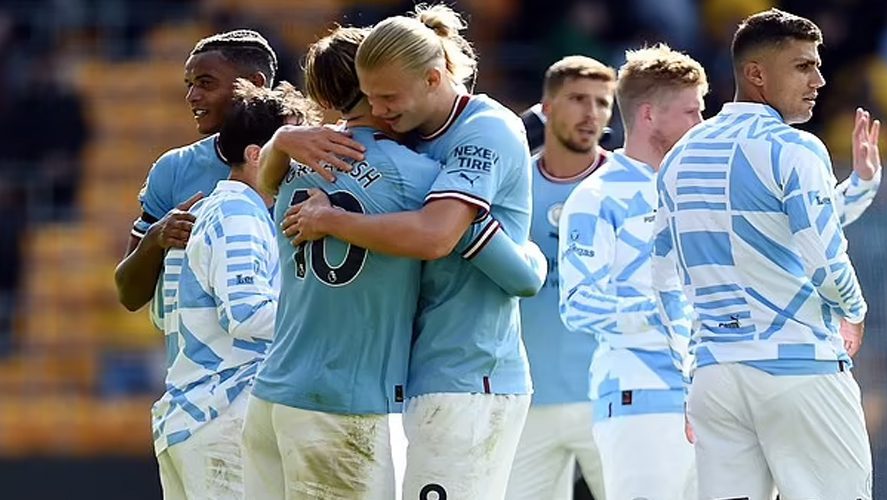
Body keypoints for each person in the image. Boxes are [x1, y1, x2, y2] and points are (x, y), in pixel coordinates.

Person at [244, 26, 544, 499]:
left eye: (388, 97)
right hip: (392, 384)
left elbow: (437, 235)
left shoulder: (482, 131)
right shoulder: (407, 157)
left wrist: (326, 210)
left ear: (431, 78)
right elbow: (516, 268)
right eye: (371, 97)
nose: (382, 109)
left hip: (464, 375)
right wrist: (283, 138)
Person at [652, 9, 882, 499]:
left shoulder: (678, 157)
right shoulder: (795, 148)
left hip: (716, 379)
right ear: (756, 74)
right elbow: (822, 254)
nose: (820, 79)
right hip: (798, 370)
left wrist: (859, 186)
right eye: (803, 66)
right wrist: (854, 311)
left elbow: (667, 281)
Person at [113, 29, 360, 317]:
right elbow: (128, 295)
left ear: (255, 83)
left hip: (296, 345)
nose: (192, 96)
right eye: (189, 85)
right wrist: (156, 237)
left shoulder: (311, 157)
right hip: (207, 357)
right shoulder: (174, 168)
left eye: (205, 83)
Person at [558, 43, 708, 499]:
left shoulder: (698, 191)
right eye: (691, 112)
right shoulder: (596, 197)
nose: (701, 125)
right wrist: (664, 309)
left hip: (715, 402)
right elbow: (578, 305)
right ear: (648, 116)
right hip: (639, 400)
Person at [153, 79, 307, 499]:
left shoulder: (212, 209)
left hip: (193, 418)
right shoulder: (240, 212)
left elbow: (164, 314)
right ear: (257, 155)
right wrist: (325, 318)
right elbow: (245, 313)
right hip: (222, 418)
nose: (302, 168)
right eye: (293, 155)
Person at [503, 55, 614, 500]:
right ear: (545, 108)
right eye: (577, 99)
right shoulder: (512, 185)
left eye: (603, 103)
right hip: (531, 396)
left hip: (608, 395)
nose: (592, 114)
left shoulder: (626, 184)